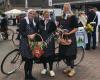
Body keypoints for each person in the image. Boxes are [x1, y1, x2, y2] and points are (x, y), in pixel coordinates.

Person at [58, 3, 78, 77]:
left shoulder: (73, 17)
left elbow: (76, 28)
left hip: (70, 38)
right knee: (65, 53)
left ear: (69, 8)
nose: (65, 9)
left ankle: (72, 69)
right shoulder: (62, 16)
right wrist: (59, 30)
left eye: (67, 7)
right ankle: (68, 67)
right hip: (63, 38)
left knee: (70, 54)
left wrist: (69, 33)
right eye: (64, 7)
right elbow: (59, 26)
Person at [19, 9, 38, 80]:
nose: (32, 15)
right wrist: (28, 35)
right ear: (28, 13)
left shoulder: (34, 21)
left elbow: (37, 30)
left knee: (31, 60)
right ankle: (26, 76)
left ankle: (30, 75)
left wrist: (35, 34)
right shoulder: (24, 21)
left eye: (33, 14)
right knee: (27, 60)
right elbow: (21, 31)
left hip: (33, 42)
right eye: (31, 13)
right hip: (25, 43)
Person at [39, 10, 56, 77]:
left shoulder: (52, 22)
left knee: (50, 55)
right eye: (45, 14)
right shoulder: (40, 22)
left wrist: (49, 39)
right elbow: (38, 30)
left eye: (48, 14)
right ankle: (45, 68)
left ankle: (51, 69)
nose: (47, 15)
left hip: (50, 41)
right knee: (43, 55)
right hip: (42, 40)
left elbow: (54, 31)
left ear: (49, 15)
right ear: (43, 15)